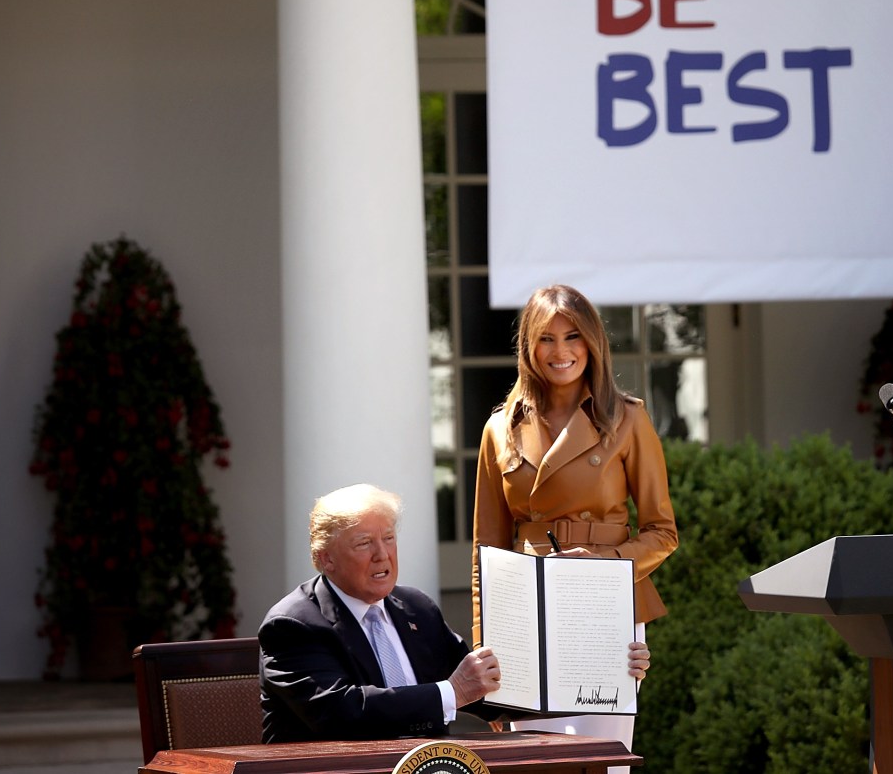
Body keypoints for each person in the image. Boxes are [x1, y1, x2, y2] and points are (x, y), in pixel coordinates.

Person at [260, 482, 651, 743]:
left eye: (389, 538)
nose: (383, 555)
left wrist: (606, 670)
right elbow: (343, 713)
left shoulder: (415, 608)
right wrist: (452, 691)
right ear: (324, 558)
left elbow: (489, 693)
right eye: (364, 543)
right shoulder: (293, 625)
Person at [472, 284, 678, 761]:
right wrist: (486, 647)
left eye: (572, 337)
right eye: (546, 338)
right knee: (531, 763)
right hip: (525, 612)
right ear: (528, 346)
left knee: (599, 762)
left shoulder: (628, 419)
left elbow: (663, 533)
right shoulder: (499, 429)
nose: (560, 351)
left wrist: (601, 567)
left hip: (600, 610)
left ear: (592, 343)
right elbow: (487, 554)